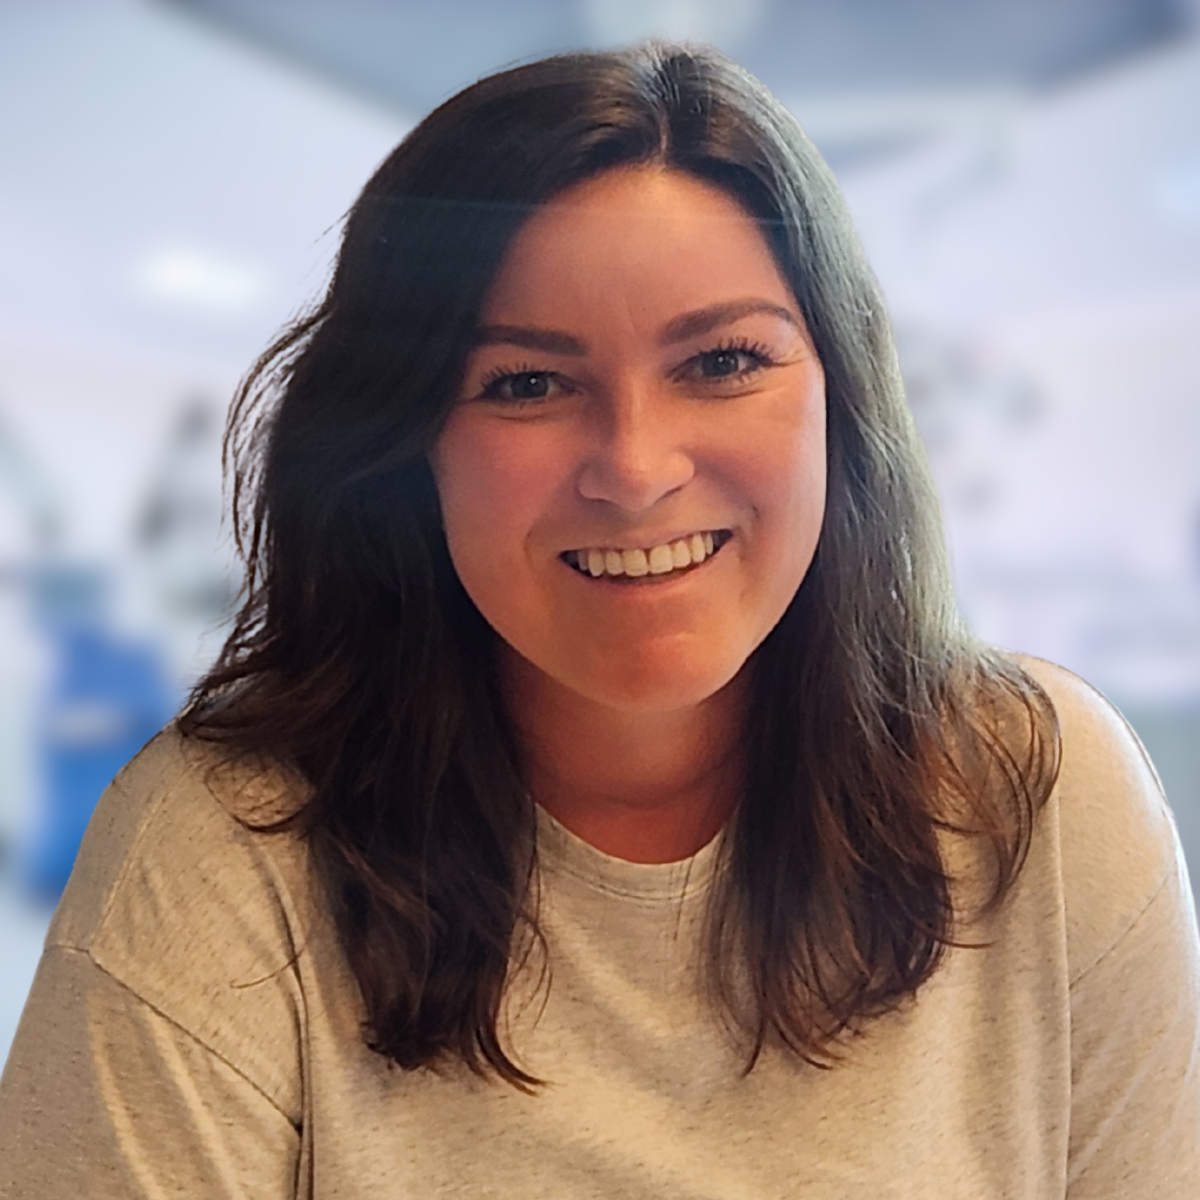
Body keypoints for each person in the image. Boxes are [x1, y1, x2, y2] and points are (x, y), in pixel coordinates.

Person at [1, 42, 1197, 1199]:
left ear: (841, 393)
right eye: (526, 383)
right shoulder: (223, 854)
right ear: (407, 448)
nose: (633, 468)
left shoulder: (1041, 799)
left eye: (724, 360)